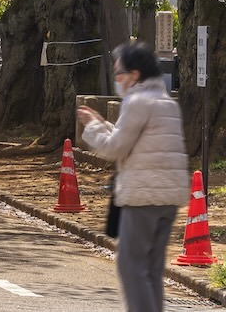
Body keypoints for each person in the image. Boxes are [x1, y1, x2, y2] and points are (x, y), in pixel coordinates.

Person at [78, 43, 188, 312]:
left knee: (131, 267)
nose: (117, 80)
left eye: (119, 74)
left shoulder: (137, 102)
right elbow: (136, 141)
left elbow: (115, 147)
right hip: (168, 198)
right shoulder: (166, 103)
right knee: (150, 269)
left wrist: (92, 126)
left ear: (135, 74)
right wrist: (104, 124)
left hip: (142, 197)